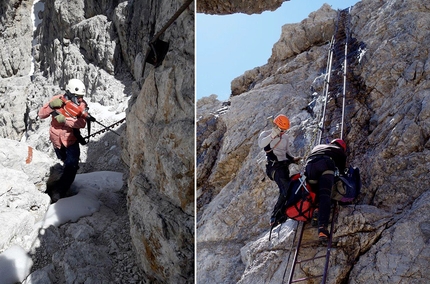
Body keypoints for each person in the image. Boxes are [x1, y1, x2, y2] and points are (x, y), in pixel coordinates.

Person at [38, 79, 89, 202]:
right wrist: (50, 106)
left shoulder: (82, 106)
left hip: (71, 140)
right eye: (78, 97)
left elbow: (82, 123)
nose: (81, 99)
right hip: (57, 141)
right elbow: (41, 114)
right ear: (70, 94)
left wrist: (65, 121)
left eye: (82, 97)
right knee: (65, 163)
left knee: (72, 165)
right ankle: (60, 182)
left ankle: (60, 191)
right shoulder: (57, 100)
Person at [258, 114, 301, 226]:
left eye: (285, 131)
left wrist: (293, 159)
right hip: (274, 168)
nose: (283, 133)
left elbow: (286, 152)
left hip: (284, 167)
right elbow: (261, 144)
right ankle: (275, 215)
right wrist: (272, 136)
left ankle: (283, 214)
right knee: (286, 187)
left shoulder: (285, 137)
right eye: (281, 130)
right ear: (275, 126)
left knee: (288, 188)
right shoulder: (266, 134)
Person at [304, 139, 347, 241]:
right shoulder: (339, 151)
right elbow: (341, 172)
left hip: (309, 167)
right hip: (325, 164)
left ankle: (317, 209)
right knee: (325, 195)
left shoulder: (318, 147)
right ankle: (322, 228)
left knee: (315, 191)